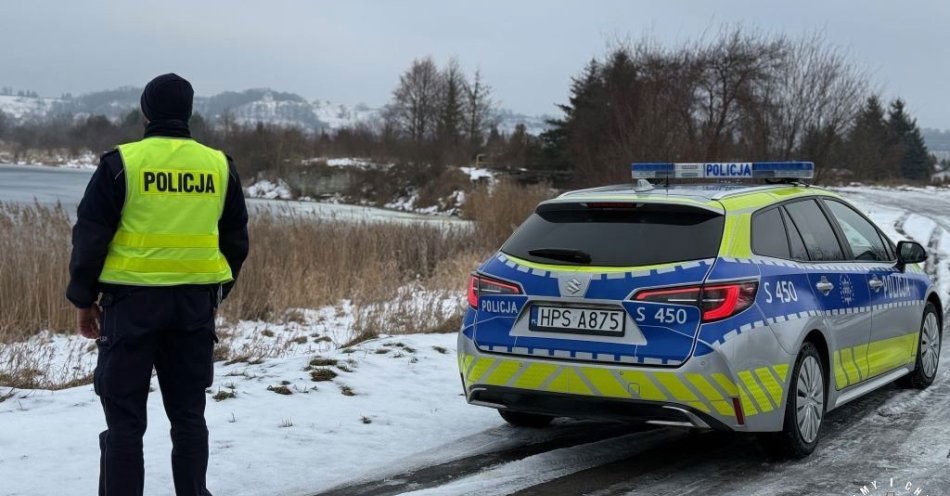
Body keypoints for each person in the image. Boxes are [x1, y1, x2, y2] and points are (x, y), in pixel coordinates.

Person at [66, 73, 249, 496]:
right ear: (188, 113)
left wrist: (83, 299)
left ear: (146, 112)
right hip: (193, 308)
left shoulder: (122, 164)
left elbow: (90, 237)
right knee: (188, 416)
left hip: (130, 307)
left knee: (125, 422)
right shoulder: (219, 166)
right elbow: (236, 240)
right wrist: (217, 290)